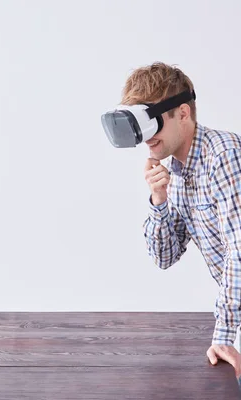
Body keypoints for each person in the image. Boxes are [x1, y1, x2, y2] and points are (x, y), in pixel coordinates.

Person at [123, 62, 241, 380]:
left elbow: (240, 251)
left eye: (151, 122)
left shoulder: (223, 157)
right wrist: (159, 199)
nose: (145, 137)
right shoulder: (175, 171)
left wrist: (224, 336)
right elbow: (164, 257)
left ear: (183, 113)